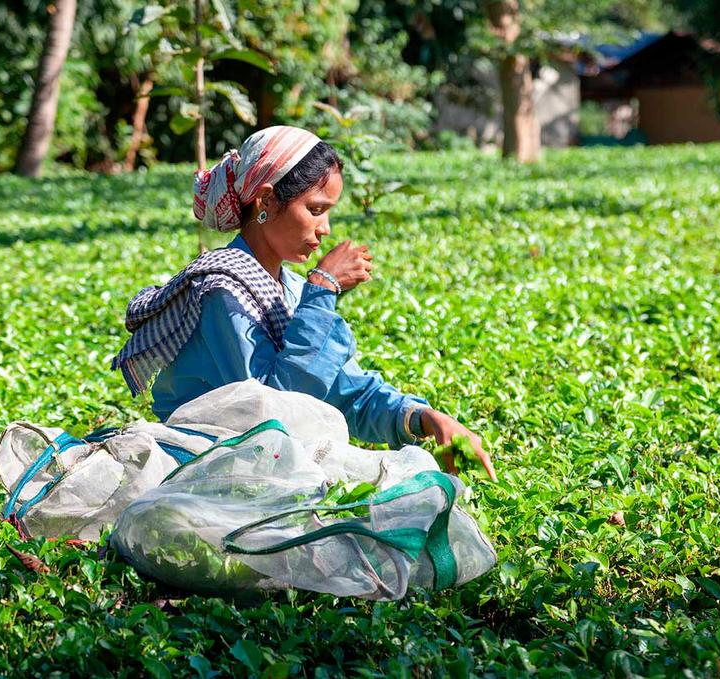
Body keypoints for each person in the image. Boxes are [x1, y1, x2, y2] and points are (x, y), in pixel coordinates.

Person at [113, 125, 496, 481]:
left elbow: (345, 389)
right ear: (265, 200)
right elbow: (277, 412)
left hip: (269, 466)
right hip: (213, 469)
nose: (325, 228)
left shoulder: (290, 288)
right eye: (315, 209)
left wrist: (423, 417)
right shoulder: (220, 291)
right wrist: (323, 287)